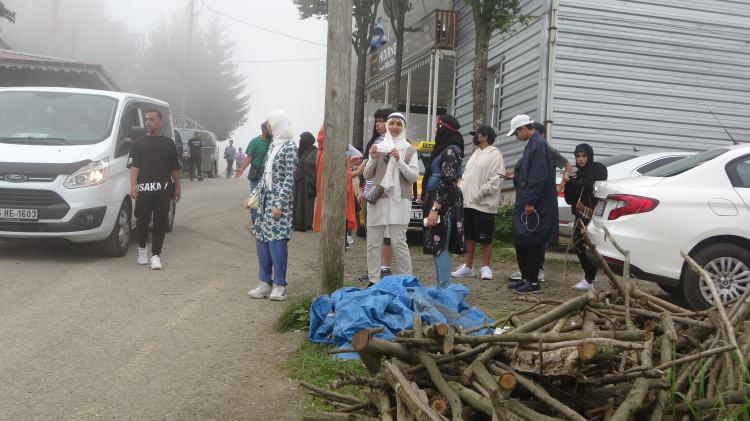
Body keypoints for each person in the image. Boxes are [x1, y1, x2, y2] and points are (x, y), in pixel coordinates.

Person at [507, 121, 572, 283]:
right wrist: (515, 176)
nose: (516, 137)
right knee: (523, 240)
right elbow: (527, 174)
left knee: (533, 240)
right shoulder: (532, 145)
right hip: (527, 199)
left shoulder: (540, 145)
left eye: (516, 133)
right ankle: (526, 278)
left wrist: (530, 201)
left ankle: (533, 280)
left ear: (523, 129)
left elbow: (537, 176)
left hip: (535, 202)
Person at [247, 110, 298, 301]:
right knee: (262, 240)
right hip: (265, 202)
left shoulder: (290, 147)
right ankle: (264, 283)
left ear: (277, 124)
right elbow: (264, 176)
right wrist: (253, 196)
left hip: (278, 203)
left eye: (270, 122)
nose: (267, 125)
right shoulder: (272, 146)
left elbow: (288, 179)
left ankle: (280, 285)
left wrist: (279, 204)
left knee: (277, 243)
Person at [363, 112, 419, 285]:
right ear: (387, 125)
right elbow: (367, 175)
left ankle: (406, 281)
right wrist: (372, 159)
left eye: (398, 124)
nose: (394, 127)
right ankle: (373, 280)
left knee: (398, 242)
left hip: (400, 200)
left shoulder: (410, 150)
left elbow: (413, 177)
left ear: (403, 127)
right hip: (379, 199)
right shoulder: (379, 147)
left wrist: (399, 160)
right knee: (373, 243)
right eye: (391, 123)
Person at [128, 109, 181, 270]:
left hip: (164, 190)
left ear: (160, 122)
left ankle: (156, 255)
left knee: (160, 223)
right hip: (144, 190)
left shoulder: (168, 144)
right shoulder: (139, 143)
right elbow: (134, 165)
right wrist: (133, 184)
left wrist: (177, 187)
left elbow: (174, 168)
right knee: (142, 221)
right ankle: (142, 250)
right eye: (146, 119)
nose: (148, 122)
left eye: (151, 119)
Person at [451, 125, 504, 281]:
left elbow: (495, 180)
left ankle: (486, 268)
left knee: (485, 238)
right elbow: (467, 176)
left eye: (477, 135)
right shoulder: (475, 153)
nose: (474, 137)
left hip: (484, 205)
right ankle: (468, 267)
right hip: (468, 203)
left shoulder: (495, 154)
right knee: (469, 237)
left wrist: (479, 194)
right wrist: (460, 192)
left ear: (485, 136)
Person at [422, 115, 466, 288]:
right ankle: (442, 286)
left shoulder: (450, 151)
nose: (435, 130)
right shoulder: (445, 150)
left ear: (444, 128)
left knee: (440, 246)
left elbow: (447, 181)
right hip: (436, 199)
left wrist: (435, 208)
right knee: (436, 245)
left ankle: (444, 288)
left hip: (443, 203)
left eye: (437, 126)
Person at [564, 143, 607, 291]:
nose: (580, 159)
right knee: (578, 244)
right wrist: (568, 184)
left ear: (589, 156)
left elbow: (587, 186)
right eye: (578, 156)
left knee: (590, 245)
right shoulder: (578, 174)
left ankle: (589, 279)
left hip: (593, 214)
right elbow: (569, 199)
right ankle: (589, 277)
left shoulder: (597, 169)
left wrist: (572, 182)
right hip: (580, 215)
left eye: (583, 156)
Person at [360, 108, 395, 279]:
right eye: (376, 121)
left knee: (387, 233)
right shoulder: (374, 141)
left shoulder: (394, 143)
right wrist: (362, 188)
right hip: (371, 193)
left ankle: (385, 267)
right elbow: (367, 170)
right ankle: (373, 270)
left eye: (381, 120)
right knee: (372, 235)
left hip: (387, 195)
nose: (378, 124)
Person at [236, 122, 271, 228]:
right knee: (255, 198)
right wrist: (241, 169)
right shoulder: (254, 142)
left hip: (269, 173)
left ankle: (264, 223)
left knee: (267, 198)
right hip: (257, 172)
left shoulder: (273, 142)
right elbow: (249, 157)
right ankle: (255, 223)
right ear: (265, 130)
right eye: (270, 129)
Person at [293, 132, 317, 231]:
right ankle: (297, 224)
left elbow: (314, 166)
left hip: (308, 184)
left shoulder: (315, 151)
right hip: (298, 182)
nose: (301, 143)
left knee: (307, 205)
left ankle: (307, 225)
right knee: (297, 203)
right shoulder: (301, 152)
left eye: (303, 141)